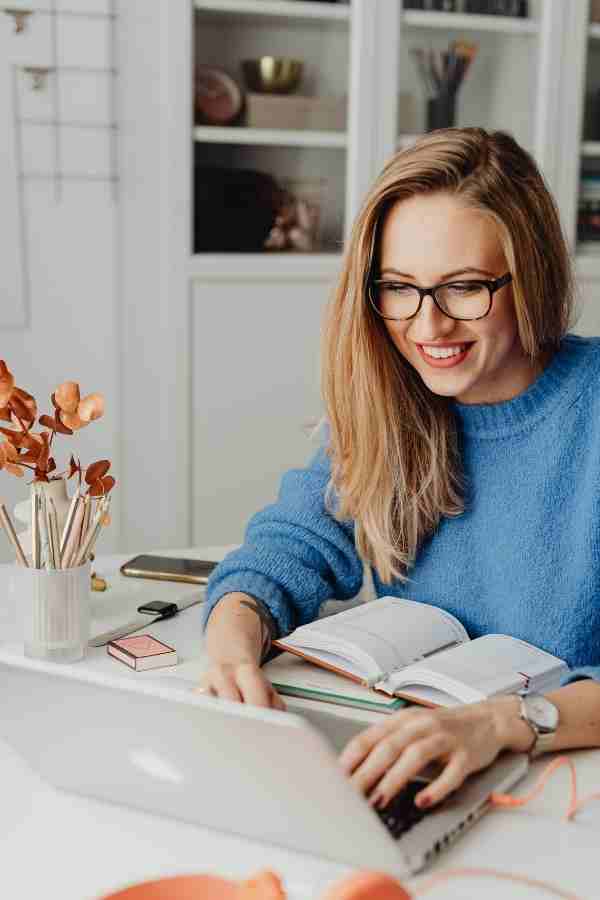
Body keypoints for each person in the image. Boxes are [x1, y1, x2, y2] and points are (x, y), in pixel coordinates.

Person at [199, 128, 600, 812]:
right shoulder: (389, 397)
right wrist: (234, 639)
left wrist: (504, 722)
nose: (428, 327)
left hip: (563, 782)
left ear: (529, 273)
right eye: (399, 289)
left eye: (465, 288)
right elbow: (286, 549)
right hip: (421, 765)